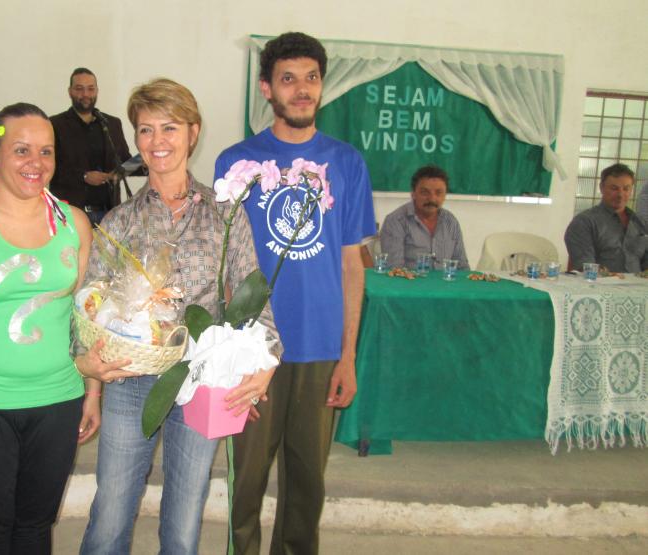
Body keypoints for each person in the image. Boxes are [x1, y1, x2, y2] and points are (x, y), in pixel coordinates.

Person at [79, 78, 281, 555]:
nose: (157, 142)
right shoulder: (120, 221)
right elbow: (89, 309)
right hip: (130, 382)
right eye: (145, 130)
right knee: (110, 512)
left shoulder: (225, 213)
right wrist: (90, 374)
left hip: (202, 381)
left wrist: (267, 359)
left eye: (169, 127)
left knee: (184, 522)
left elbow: (253, 292)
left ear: (193, 132)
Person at [0, 102, 131, 553]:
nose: (35, 164)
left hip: (57, 401)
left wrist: (92, 391)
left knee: (36, 526)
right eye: (20, 150)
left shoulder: (74, 224)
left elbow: (86, 318)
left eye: (46, 152)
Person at [214, 32, 375, 555]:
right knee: (247, 485)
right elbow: (220, 270)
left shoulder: (346, 163)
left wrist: (348, 355)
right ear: (267, 88)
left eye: (311, 78)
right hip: (253, 350)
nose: (302, 90)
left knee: (307, 489)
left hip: (322, 348)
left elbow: (353, 265)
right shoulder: (236, 162)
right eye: (288, 79)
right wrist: (228, 354)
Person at [50, 68, 133, 225]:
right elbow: (50, 168)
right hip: (70, 214)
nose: (85, 94)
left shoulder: (112, 123)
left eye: (90, 89)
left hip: (110, 213)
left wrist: (145, 161)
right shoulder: (54, 124)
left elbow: (123, 161)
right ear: (70, 91)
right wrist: (83, 176)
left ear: (97, 91)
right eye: (79, 89)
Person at [379, 164, 470, 270]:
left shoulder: (450, 221)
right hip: (409, 284)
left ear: (445, 195)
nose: (432, 198)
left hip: (445, 285)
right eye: (425, 192)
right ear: (413, 193)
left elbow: (461, 266)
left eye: (438, 193)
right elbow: (394, 269)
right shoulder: (396, 221)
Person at [565, 162, 648, 273]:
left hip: (639, 287)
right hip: (597, 287)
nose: (620, 194)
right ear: (601, 188)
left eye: (626, 189)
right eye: (614, 188)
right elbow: (585, 267)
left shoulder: (639, 222)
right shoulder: (584, 222)